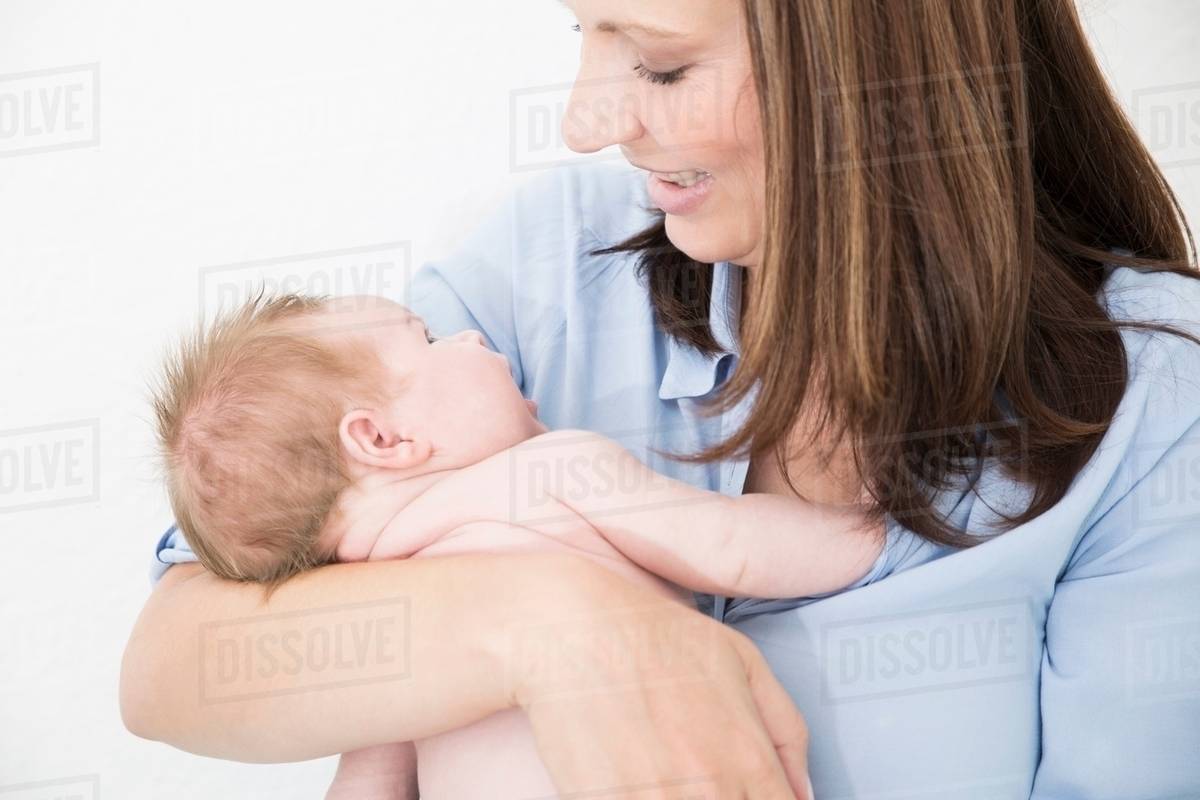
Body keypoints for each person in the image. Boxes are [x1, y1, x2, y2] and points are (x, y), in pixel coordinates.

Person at [121, 1, 1200, 798]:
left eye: (663, 65)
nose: (587, 122)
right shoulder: (548, 271)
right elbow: (171, 663)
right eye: (584, 31)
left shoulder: (1154, 391)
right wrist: (565, 627)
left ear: (870, 78)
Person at [150, 290, 881, 798]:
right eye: (430, 339)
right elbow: (730, 548)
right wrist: (874, 528)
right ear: (384, 439)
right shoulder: (550, 471)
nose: (471, 338)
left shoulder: (384, 617)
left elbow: (367, 784)